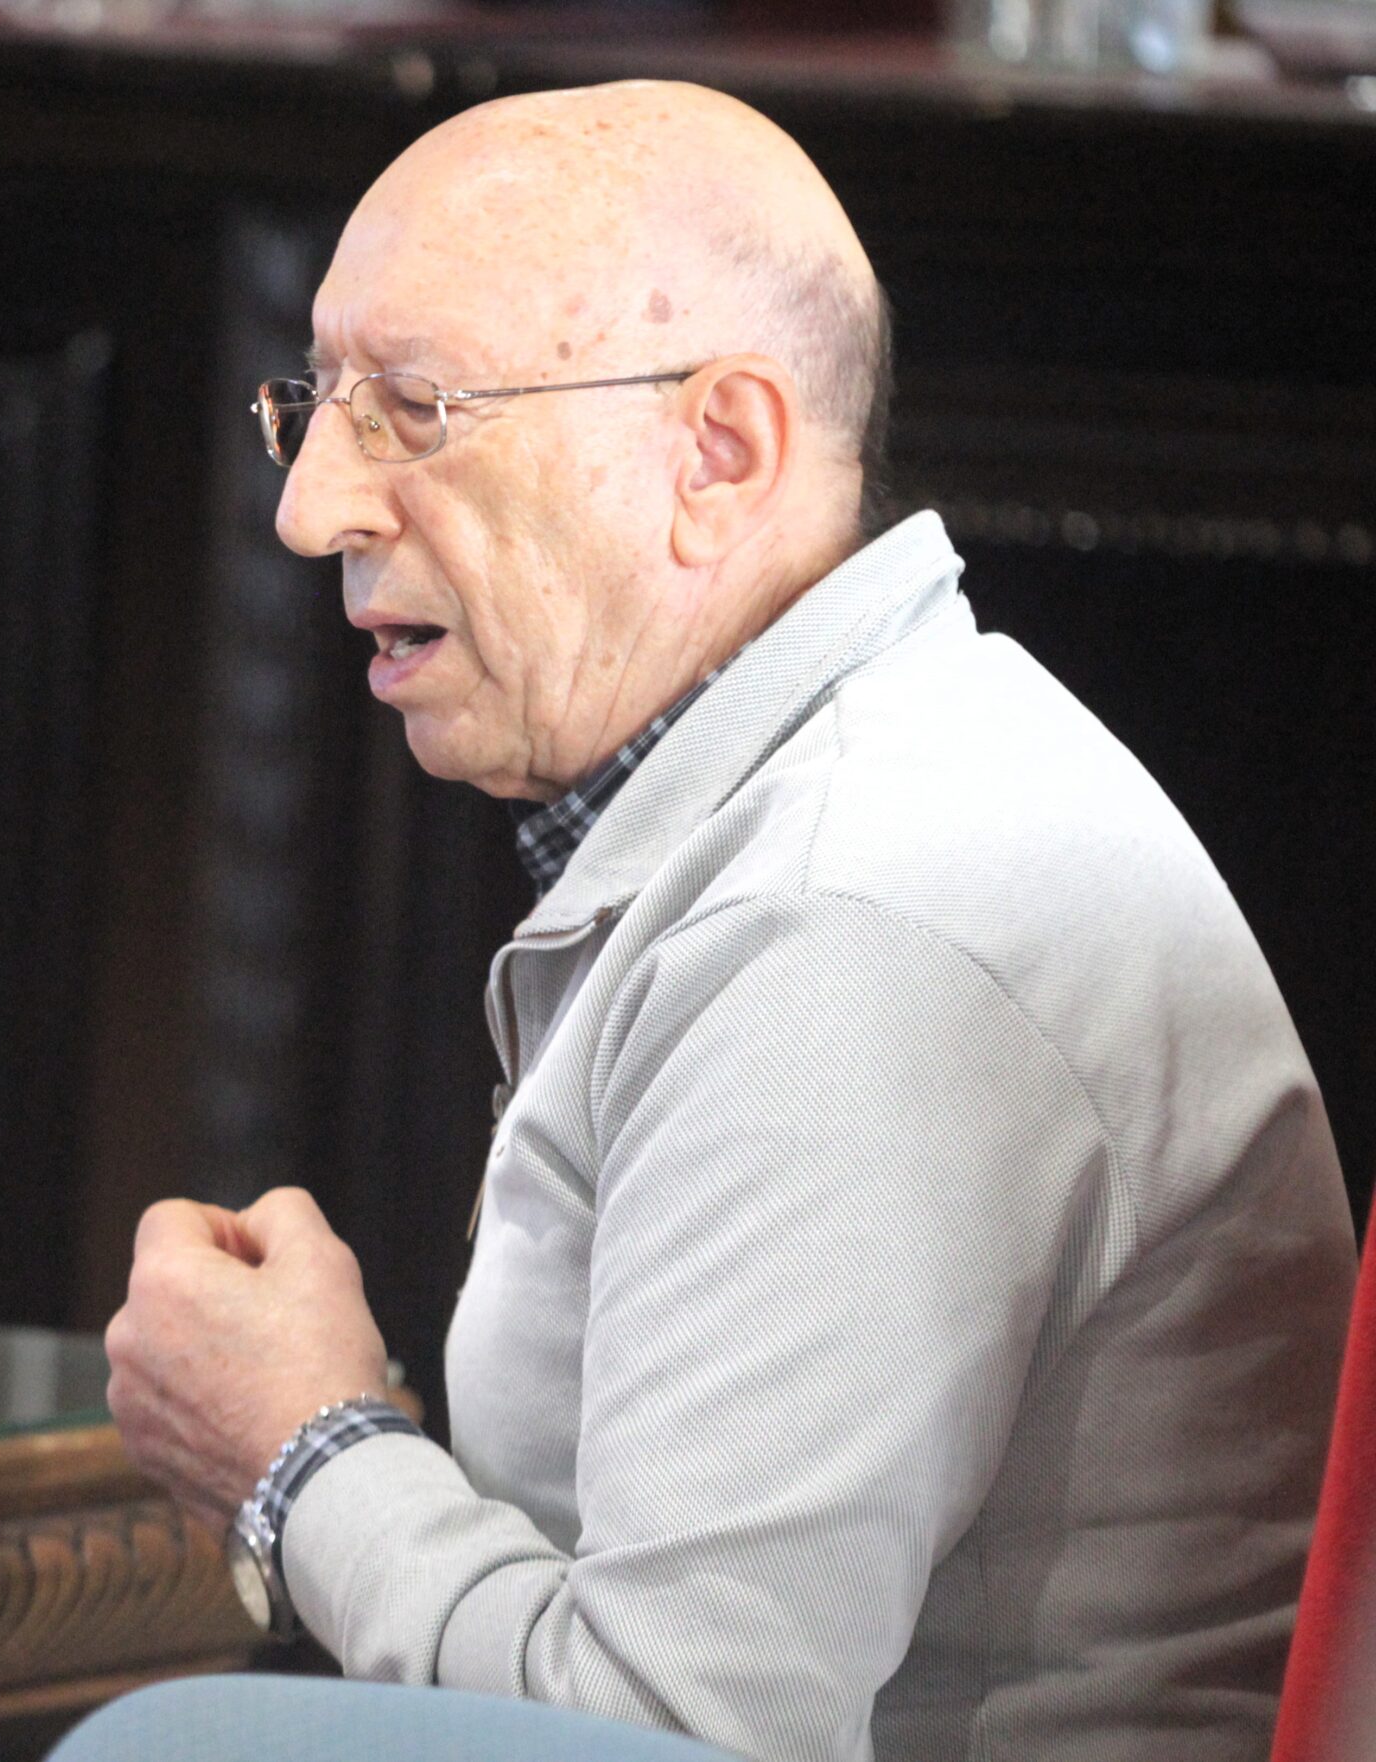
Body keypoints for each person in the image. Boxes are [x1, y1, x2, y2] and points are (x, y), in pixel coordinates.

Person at [101, 80, 1357, 1762]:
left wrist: (306, 1454)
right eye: (313, 404)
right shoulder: (864, 793)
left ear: (720, 452)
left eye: (413, 407)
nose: (311, 505)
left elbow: (669, 1738)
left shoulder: (844, 922)